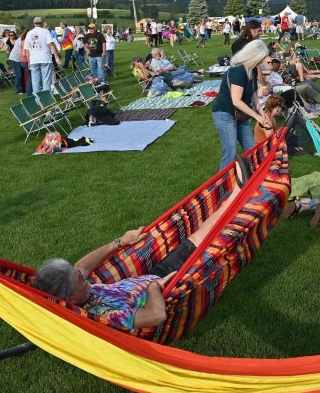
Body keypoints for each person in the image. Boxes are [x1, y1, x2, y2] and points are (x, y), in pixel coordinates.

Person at [34, 160, 250, 331]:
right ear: (71, 298)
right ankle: (242, 199)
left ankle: (236, 196)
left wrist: (120, 242)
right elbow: (156, 316)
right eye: (80, 279)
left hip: (149, 277)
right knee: (209, 246)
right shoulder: (103, 315)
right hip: (165, 288)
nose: (83, 275)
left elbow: (81, 266)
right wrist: (154, 287)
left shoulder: (76, 289)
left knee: (193, 239)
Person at [211, 40, 272, 170]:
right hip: (225, 113)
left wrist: (262, 114)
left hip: (241, 115)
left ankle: (250, 177)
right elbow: (236, 101)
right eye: (261, 58)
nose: (262, 61)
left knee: (251, 150)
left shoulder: (253, 70)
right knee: (230, 153)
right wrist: (256, 116)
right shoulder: (238, 70)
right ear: (254, 56)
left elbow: (254, 96)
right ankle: (223, 181)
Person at [27, 17, 62, 93]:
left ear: (34, 23)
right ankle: (46, 97)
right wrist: (57, 57)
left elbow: (27, 49)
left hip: (33, 60)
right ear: (42, 23)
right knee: (46, 80)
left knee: (35, 81)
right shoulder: (45, 31)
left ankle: (37, 97)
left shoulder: (29, 33)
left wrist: (28, 61)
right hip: (45, 58)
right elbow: (51, 44)